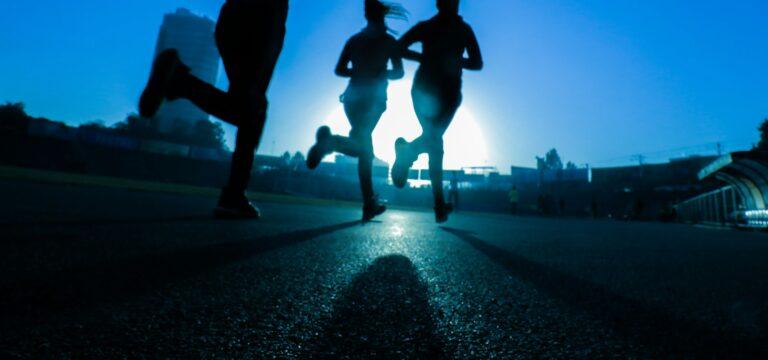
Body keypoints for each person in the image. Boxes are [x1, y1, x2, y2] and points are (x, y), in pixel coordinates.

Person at [138, 0, 289, 219]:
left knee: (251, 108)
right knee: (253, 108)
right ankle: (181, 82)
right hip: (263, 17)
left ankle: (234, 194)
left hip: (232, 17)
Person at [306, 0, 406, 222]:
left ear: (367, 17)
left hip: (351, 98)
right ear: (383, 17)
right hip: (373, 100)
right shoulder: (390, 42)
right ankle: (331, 143)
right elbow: (399, 73)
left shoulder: (354, 40)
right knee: (365, 151)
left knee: (365, 151)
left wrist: (359, 70)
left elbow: (339, 69)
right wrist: (380, 73)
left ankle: (369, 202)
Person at [390, 0, 483, 223]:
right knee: (435, 143)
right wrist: (428, 58)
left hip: (446, 97)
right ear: (441, 3)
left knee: (434, 142)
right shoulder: (439, 27)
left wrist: (450, 60)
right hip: (431, 93)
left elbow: (477, 62)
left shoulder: (457, 29)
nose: (455, 4)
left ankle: (408, 153)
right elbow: (398, 47)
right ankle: (439, 205)